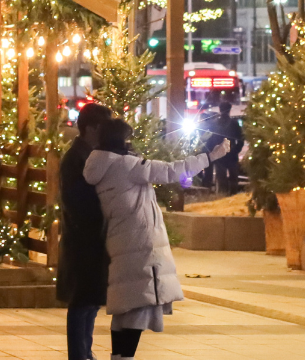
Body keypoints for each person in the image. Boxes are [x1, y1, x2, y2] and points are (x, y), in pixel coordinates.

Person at [85, 118, 230, 360]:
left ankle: (118, 357)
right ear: (119, 140)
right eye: (128, 139)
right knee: (139, 305)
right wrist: (210, 157)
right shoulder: (128, 165)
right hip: (141, 243)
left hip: (120, 240)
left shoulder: (99, 164)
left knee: (125, 306)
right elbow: (171, 170)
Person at [57, 103, 114, 360]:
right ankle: (79, 355)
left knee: (90, 302)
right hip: (83, 241)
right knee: (82, 303)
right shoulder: (76, 158)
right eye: (104, 127)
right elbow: (76, 201)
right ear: (91, 128)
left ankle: (85, 353)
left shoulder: (91, 155)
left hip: (92, 239)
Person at [208, 102, 245, 194]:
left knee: (222, 179)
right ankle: (231, 196)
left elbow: (210, 140)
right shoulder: (233, 124)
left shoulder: (215, 124)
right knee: (232, 179)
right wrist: (236, 150)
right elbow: (241, 139)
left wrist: (212, 151)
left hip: (222, 154)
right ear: (229, 110)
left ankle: (224, 196)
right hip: (230, 154)